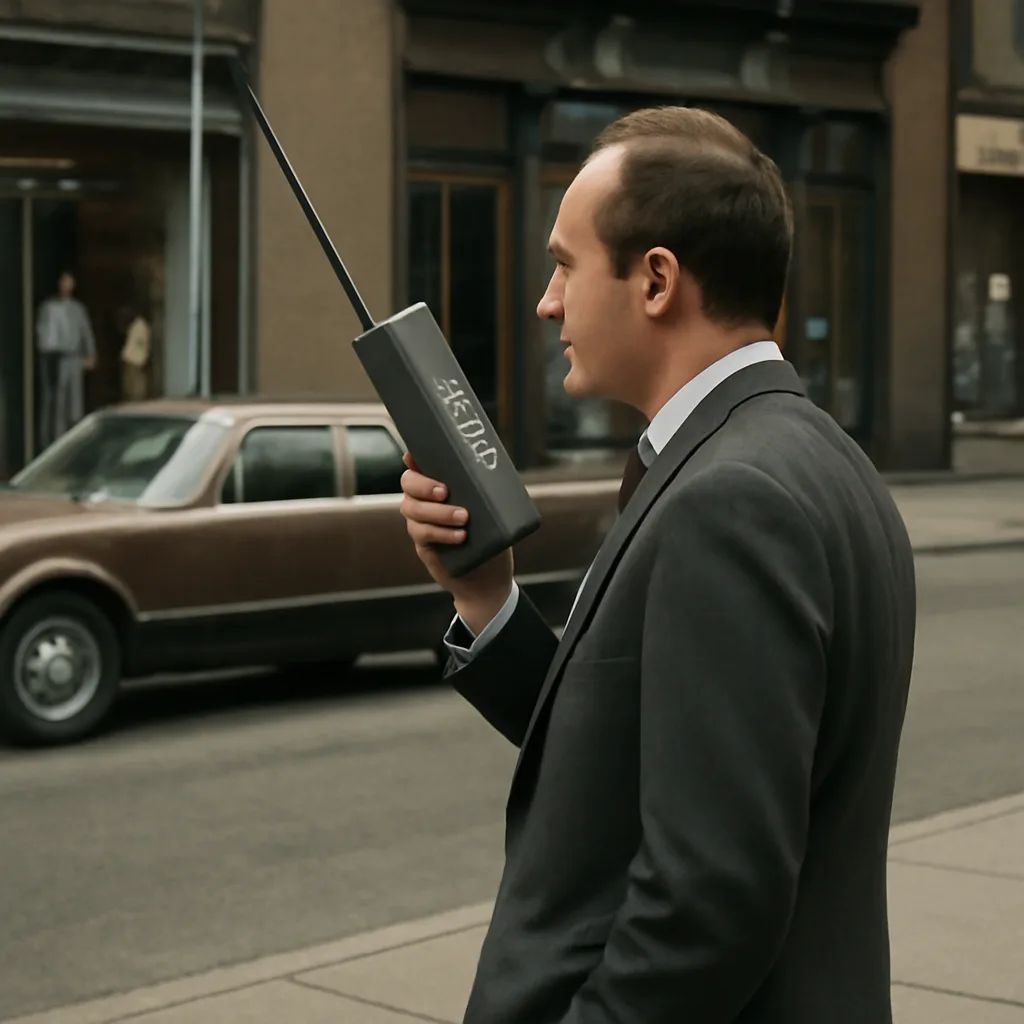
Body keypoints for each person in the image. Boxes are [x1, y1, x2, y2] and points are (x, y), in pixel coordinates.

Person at [399, 106, 916, 1023]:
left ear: (656, 281)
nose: (545, 301)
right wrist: (490, 605)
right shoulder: (823, 459)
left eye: (564, 264)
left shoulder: (730, 501)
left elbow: (708, 902)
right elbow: (642, 761)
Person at [36, 270, 96, 447]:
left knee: (75, 404)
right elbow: (42, 333)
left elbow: (86, 331)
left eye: (69, 282)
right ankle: (55, 444)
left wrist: (91, 353)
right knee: (58, 404)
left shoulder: (78, 308)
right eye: (64, 281)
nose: (67, 285)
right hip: (56, 358)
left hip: (75, 357)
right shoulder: (48, 307)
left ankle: (74, 444)